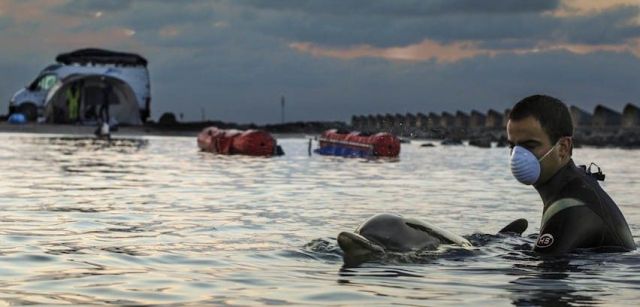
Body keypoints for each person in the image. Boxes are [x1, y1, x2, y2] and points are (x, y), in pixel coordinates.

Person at [507, 94, 635, 256]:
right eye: (512, 146)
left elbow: (545, 272)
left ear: (563, 147)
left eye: (530, 145)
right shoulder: (574, 186)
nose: (517, 155)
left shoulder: (572, 206)